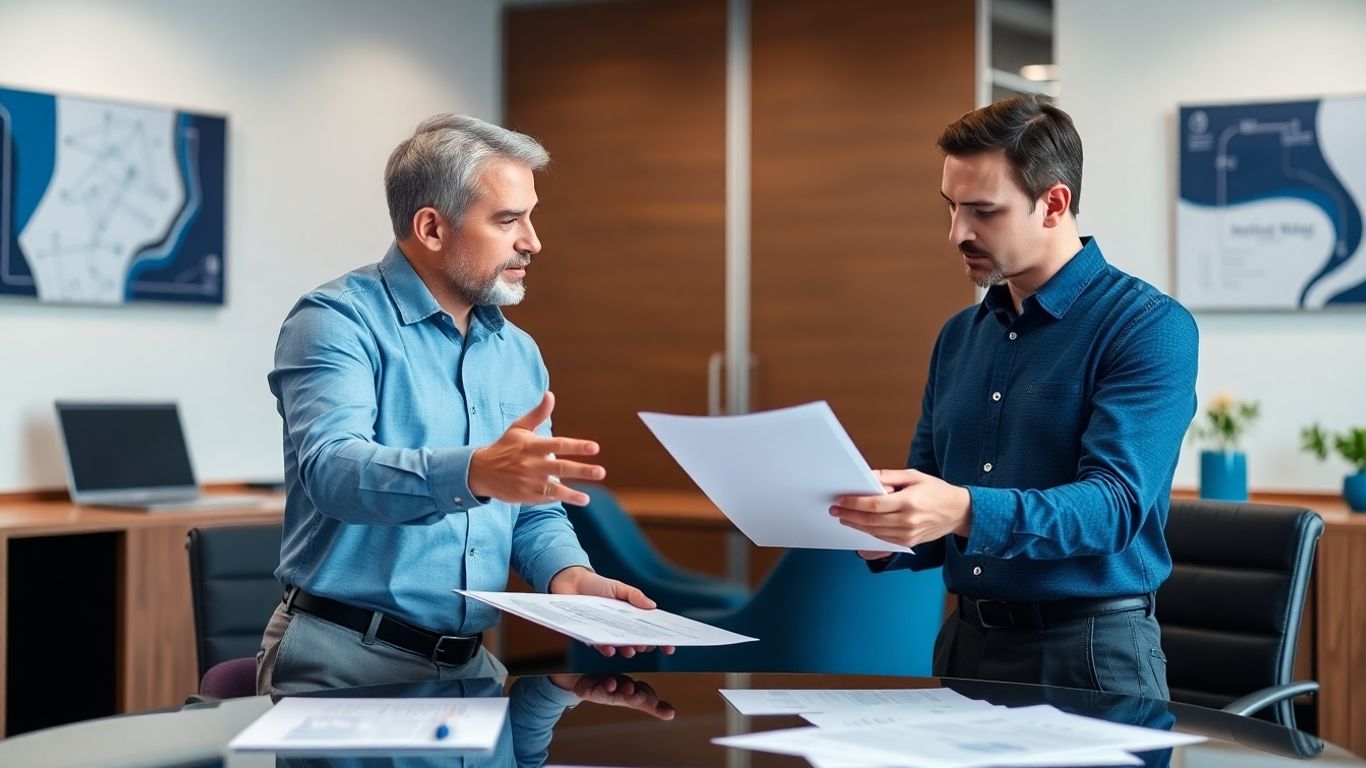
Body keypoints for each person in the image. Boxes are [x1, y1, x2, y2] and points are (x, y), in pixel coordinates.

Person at [258, 114, 666, 695]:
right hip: (343, 662)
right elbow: (332, 469)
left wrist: (567, 573)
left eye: (530, 216)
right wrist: (475, 471)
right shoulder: (335, 321)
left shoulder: (517, 351)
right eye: (508, 221)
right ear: (431, 228)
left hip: (469, 667)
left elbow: (533, 506)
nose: (532, 241)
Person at [831, 96, 1198, 698]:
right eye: (950, 208)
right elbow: (933, 491)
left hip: (1090, 657)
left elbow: (1114, 507)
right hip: (965, 645)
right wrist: (879, 530)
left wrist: (964, 510)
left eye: (983, 211)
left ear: (1054, 204)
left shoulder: (1148, 327)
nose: (957, 233)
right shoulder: (958, 337)